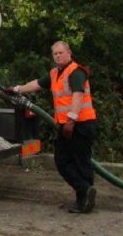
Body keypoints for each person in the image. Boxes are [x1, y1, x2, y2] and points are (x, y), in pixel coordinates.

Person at [12, 41, 97, 213]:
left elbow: (78, 96)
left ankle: (84, 198)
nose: (58, 56)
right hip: (67, 125)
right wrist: (16, 89)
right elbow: (36, 84)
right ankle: (85, 192)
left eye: (61, 53)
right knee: (63, 161)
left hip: (80, 124)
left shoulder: (76, 71)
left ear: (69, 53)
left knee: (80, 162)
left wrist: (71, 120)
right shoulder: (55, 73)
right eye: (55, 54)